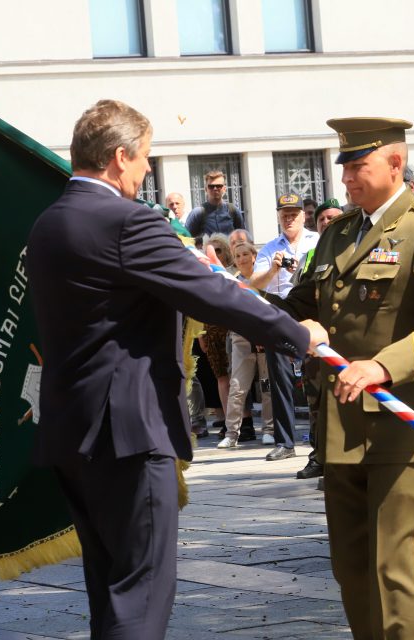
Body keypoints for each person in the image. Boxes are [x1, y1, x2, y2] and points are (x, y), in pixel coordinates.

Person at [25, 99, 326, 639]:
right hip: (128, 432)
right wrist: (299, 335)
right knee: (140, 596)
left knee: (111, 591)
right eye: (144, 158)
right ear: (119, 157)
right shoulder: (124, 220)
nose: (147, 171)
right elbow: (213, 295)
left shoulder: (50, 221)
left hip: (74, 430)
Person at [274, 117, 414, 639]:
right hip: (340, 428)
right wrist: (238, 298)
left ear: (395, 163)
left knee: (397, 572)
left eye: (358, 167)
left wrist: (383, 365)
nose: (347, 180)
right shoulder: (339, 233)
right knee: (352, 568)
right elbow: (300, 306)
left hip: (400, 427)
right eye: (345, 169)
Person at [249, 193, 320, 460]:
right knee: (279, 377)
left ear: (304, 215)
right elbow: (254, 283)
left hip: (311, 313)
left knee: (317, 378)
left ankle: (318, 442)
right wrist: (274, 270)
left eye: (294, 213)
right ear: (279, 217)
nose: (289, 218)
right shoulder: (270, 248)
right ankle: (285, 442)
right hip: (281, 310)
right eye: (284, 214)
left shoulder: (318, 241)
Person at [295, 197, 344, 479]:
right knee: (315, 401)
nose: (327, 222)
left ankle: (335, 457)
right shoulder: (313, 254)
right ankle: (319, 455)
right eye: (323, 218)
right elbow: (300, 295)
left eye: (333, 217)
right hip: (315, 343)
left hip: (342, 345)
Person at [219, 241, 275, 448]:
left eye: (245, 254)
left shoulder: (263, 278)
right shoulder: (231, 280)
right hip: (241, 337)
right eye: (237, 255)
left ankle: (269, 429)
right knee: (237, 386)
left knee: (267, 385)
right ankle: (232, 433)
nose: (242, 259)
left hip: (264, 338)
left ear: (254, 256)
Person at [199, 234, 234, 439]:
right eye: (210, 251)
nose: (214, 255)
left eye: (218, 250)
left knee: (237, 378)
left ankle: (242, 422)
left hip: (232, 329)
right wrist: (201, 335)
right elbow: (198, 308)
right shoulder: (202, 276)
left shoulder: (232, 273)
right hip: (211, 331)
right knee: (221, 377)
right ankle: (229, 424)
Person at [184, 170, 246, 238]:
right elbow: (186, 239)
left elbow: (242, 237)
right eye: (211, 186)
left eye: (219, 186)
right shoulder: (197, 213)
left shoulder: (233, 211)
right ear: (206, 189)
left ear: (224, 189)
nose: (215, 189)